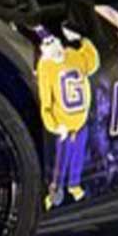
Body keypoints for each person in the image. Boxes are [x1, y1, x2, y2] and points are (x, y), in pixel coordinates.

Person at [35, 25, 100, 210]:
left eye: (53, 41)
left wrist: (82, 40)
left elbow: (92, 63)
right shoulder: (46, 67)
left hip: (80, 122)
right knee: (60, 161)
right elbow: (46, 102)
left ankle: (74, 185)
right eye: (47, 43)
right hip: (63, 125)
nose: (52, 46)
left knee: (78, 155)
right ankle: (55, 191)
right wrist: (55, 126)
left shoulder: (72, 55)